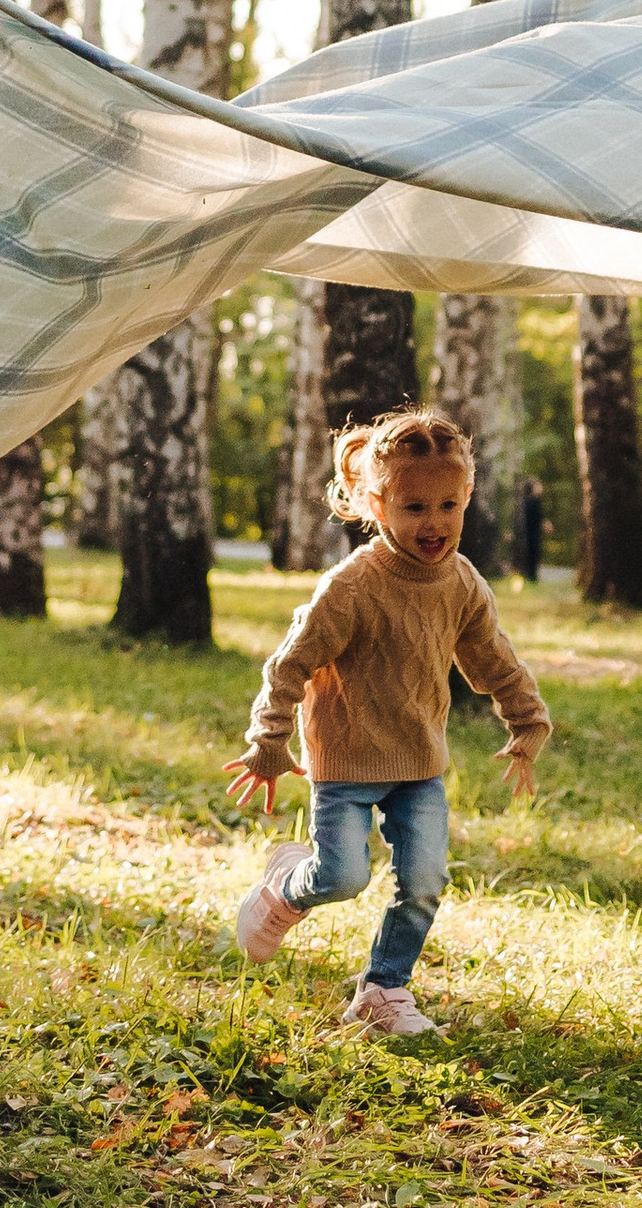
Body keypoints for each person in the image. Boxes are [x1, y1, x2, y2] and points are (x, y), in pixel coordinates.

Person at [226, 408, 550, 1036]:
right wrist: (266, 740)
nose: (434, 524)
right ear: (376, 504)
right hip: (346, 759)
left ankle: (383, 988)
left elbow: (493, 658)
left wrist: (528, 719)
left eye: (448, 505)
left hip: (419, 763)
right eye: (414, 508)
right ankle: (283, 888)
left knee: (425, 881)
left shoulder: (461, 581)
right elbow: (289, 664)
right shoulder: (353, 586)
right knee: (342, 877)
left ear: (468, 498)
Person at [517, 475, 545, 584]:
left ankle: (532, 576)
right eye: (538, 486)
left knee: (533, 553)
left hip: (532, 532)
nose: (540, 487)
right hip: (531, 532)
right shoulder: (532, 501)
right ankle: (531, 576)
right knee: (532, 553)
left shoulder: (533, 501)